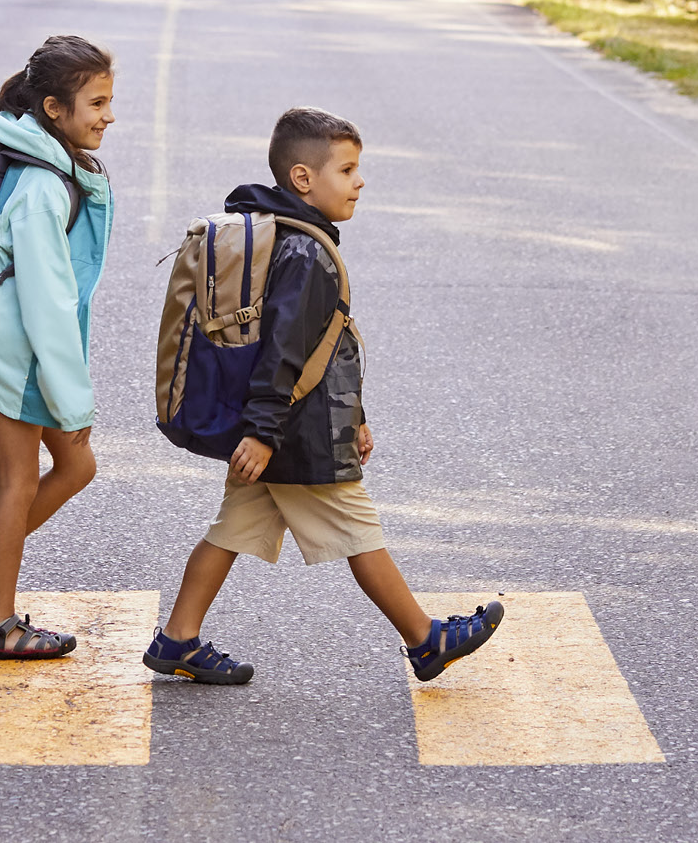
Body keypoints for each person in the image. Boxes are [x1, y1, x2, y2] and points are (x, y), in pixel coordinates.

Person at [143, 106, 504, 685]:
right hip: (294, 432)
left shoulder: (290, 239)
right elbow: (284, 353)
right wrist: (264, 433)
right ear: (303, 179)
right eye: (347, 169)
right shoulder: (306, 253)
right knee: (359, 529)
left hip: (286, 425)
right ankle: (426, 639)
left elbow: (324, 343)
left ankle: (178, 637)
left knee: (232, 528)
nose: (359, 181)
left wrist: (353, 416)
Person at [0, 35, 116, 659]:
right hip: (13, 358)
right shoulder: (40, 187)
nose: (108, 115)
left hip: (21, 353)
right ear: (53, 108)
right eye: (96, 102)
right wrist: (75, 399)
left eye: (109, 100)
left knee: (76, 465)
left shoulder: (49, 165)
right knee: (17, 483)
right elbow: (48, 307)